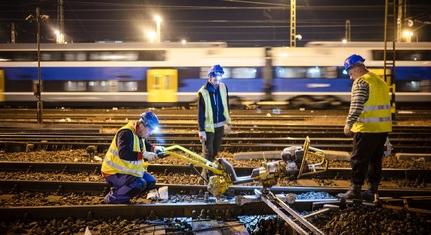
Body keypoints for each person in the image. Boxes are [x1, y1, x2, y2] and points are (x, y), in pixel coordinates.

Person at [337, 54, 392, 201]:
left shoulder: (361, 82)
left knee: (358, 160)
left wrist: (348, 124)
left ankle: (355, 190)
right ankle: (372, 190)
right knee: (375, 160)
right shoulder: (379, 81)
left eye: (349, 73)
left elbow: (356, 106)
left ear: (355, 68)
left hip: (366, 128)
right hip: (382, 129)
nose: (350, 77)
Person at [101, 111, 165, 204]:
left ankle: (123, 190)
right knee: (140, 183)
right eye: (150, 130)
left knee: (150, 181)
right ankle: (112, 198)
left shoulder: (139, 132)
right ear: (142, 125)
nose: (150, 133)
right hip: (113, 172)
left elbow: (144, 144)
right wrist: (144, 155)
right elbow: (124, 153)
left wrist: (154, 148)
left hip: (127, 170)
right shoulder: (125, 133)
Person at [197, 64, 232, 169]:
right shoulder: (202, 92)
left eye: (220, 76)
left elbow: (226, 105)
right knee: (208, 153)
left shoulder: (223, 87)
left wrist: (227, 122)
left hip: (220, 126)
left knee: (215, 152)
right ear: (210, 76)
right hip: (208, 128)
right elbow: (201, 113)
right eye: (215, 76)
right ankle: (206, 177)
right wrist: (201, 130)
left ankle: (210, 174)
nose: (217, 79)